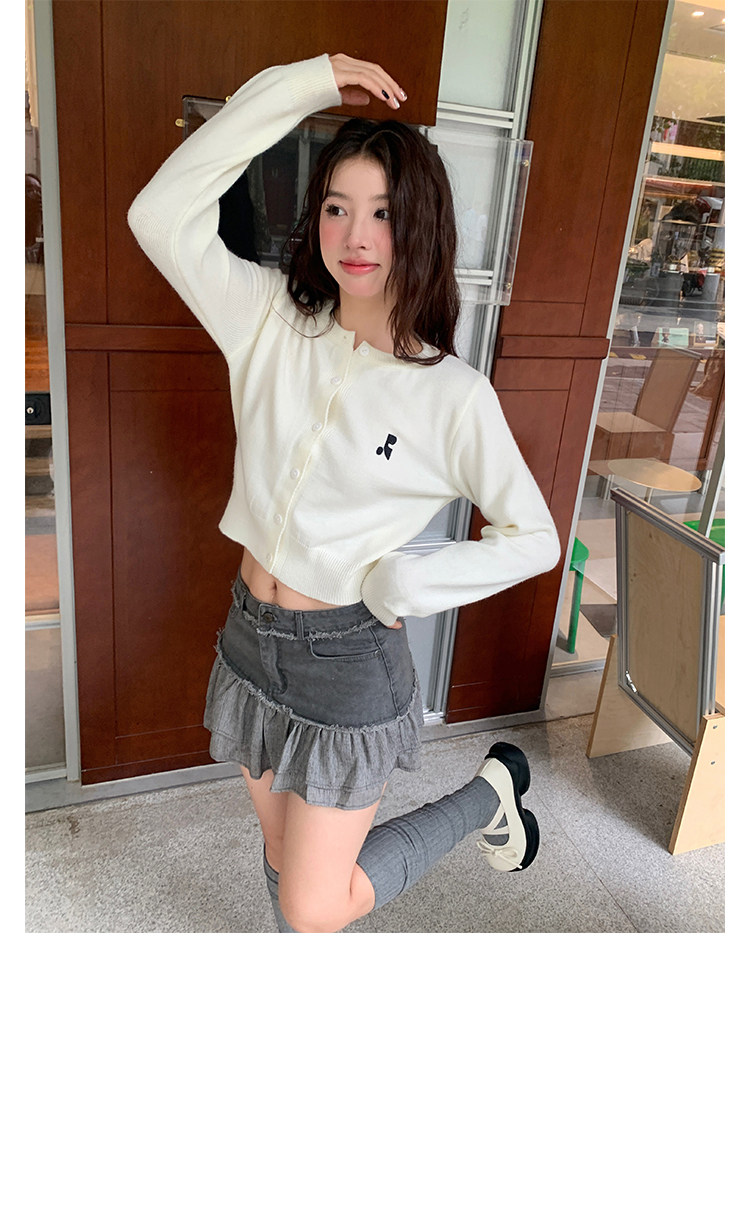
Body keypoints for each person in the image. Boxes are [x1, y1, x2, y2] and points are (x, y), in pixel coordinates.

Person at [128, 52, 560, 934]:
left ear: (421, 224)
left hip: (348, 662)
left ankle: (489, 795)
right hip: (250, 638)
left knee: (314, 903)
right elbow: (158, 214)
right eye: (337, 207)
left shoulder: (452, 395)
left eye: (383, 212)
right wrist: (309, 84)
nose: (356, 234)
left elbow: (535, 537)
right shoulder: (267, 319)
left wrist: (408, 581)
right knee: (284, 856)